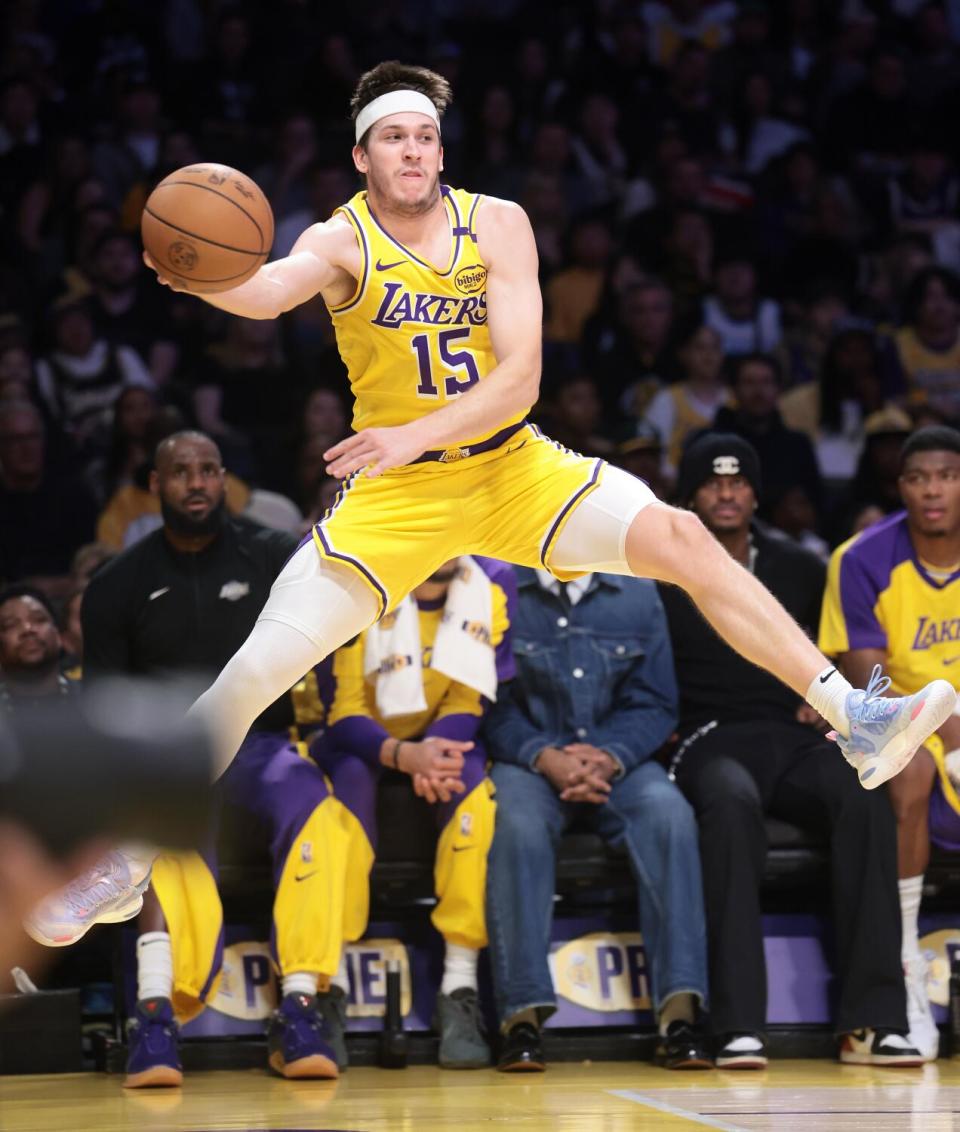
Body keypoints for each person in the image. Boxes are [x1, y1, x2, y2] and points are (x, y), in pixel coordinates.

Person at [61, 60, 955, 941]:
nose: (412, 151)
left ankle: (856, 717)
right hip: (397, 500)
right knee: (254, 671)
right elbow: (265, 292)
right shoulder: (340, 240)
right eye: (392, 138)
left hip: (511, 467)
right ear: (361, 157)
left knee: (684, 536)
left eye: (424, 137)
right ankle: (121, 860)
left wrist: (413, 432)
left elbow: (520, 379)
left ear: (440, 153)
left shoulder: (499, 223)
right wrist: (199, 274)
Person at [28, 431, 347, 1085]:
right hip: (167, 755)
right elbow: (108, 709)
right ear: (155, 486)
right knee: (158, 837)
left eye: (208, 471)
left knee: (314, 808)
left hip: (262, 746)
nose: (197, 484)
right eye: (181, 473)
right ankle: (155, 1018)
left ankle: (302, 1007)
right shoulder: (118, 585)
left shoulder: (270, 555)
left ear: (225, 479)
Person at [660, 433, 920, 1068]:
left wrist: (820, 696)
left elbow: (829, 655)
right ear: (691, 493)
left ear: (755, 491)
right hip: (706, 735)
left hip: (792, 733)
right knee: (729, 802)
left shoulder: (798, 566)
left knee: (862, 792)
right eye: (713, 482)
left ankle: (873, 1022)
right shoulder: (661, 571)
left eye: (740, 481)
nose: (727, 492)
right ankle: (737, 1024)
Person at [483, 562, 710, 1072]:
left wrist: (608, 755)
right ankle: (520, 1019)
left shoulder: (638, 593)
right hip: (529, 763)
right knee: (513, 823)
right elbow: (488, 703)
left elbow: (656, 702)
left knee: (670, 816)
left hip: (618, 762)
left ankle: (680, 1016)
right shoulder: (498, 588)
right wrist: (546, 756)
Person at [313, 555, 515, 1069]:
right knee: (346, 793)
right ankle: (326, 983)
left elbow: (472, 700)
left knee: (471, 790)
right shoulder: (358, 582)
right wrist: (405, 756)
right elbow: (342, 712)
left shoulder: (493, 583)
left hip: (439, 742)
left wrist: (434, 754)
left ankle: (459, 983)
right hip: (361, 744)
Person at [819, 425, 960, 1061]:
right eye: (918, 478)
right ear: (899, 486)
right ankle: (904, 964)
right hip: (901, 722)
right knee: (907, 773)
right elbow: (869, 683)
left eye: (948, 476)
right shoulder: (860, 557)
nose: (933, 490)